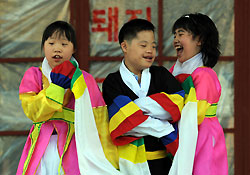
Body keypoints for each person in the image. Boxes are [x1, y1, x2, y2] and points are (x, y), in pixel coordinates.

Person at [16, 21, 119, 175]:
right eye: (51, 43)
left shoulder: (84, 79)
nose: (57, 48)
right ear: (44, 46)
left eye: (64, 44)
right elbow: (33, 111)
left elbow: (99, 122)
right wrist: (56, 88)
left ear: (74, 49)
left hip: (75, 146)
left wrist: (110, 161)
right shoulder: (34, 75)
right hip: (40, 147)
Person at [102, 18, 185, 175]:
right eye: (143, 45)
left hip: (163, 163)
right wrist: (163, 128)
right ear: (124, 46)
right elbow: (123, 124)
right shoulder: (112, 82)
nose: (150, 51)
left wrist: (134, 108)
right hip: (127, 165)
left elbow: (177, 105)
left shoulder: (161, 74)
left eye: (153, 46)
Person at [169, 13, 228, 175]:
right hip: (184, 134)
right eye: (174, 35)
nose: (175, 40)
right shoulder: (173, 71)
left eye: (181, 34)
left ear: (199, 40)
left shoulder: (204, 74)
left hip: (203, 137)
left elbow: (196, 113)